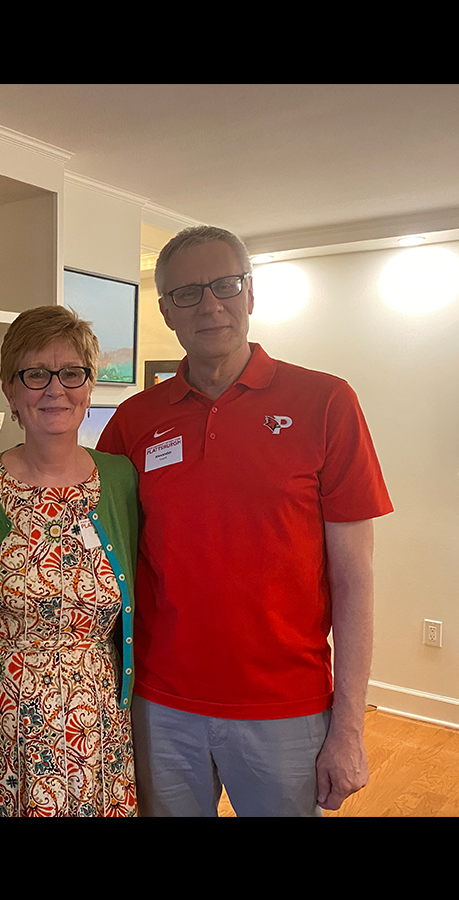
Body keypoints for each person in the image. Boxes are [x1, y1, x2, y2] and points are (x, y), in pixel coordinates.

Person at [98, 225, 392, 817]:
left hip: (287, 708)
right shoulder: (133, 422)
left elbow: (355, 581)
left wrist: (349, 727)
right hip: (161, 705)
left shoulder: (326, 403)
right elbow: (109, 562)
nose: (210, 304)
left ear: (250, 294)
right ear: (166, 311)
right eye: (187, 293)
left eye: (225, 285)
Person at [0, 306, 139, 817]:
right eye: (35, 374)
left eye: (72, 373)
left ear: (89, 387)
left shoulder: (121, 480)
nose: (56, 389)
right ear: (10, 390)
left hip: (94, 723)